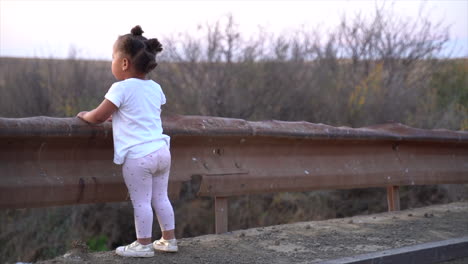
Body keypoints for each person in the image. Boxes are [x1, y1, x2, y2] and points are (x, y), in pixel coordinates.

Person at [77, 25, 177, 258]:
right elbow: (140, 112)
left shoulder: (120, 87)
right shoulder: (155, 87)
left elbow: (98, 116)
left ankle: (143, 244)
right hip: (162, 151)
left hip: (139, 156)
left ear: (124, 63)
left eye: (113, 57)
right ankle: (168, 240)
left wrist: (84, 116)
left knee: (141, 201)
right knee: (161, 197)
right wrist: (120, 116)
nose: (111, 62)